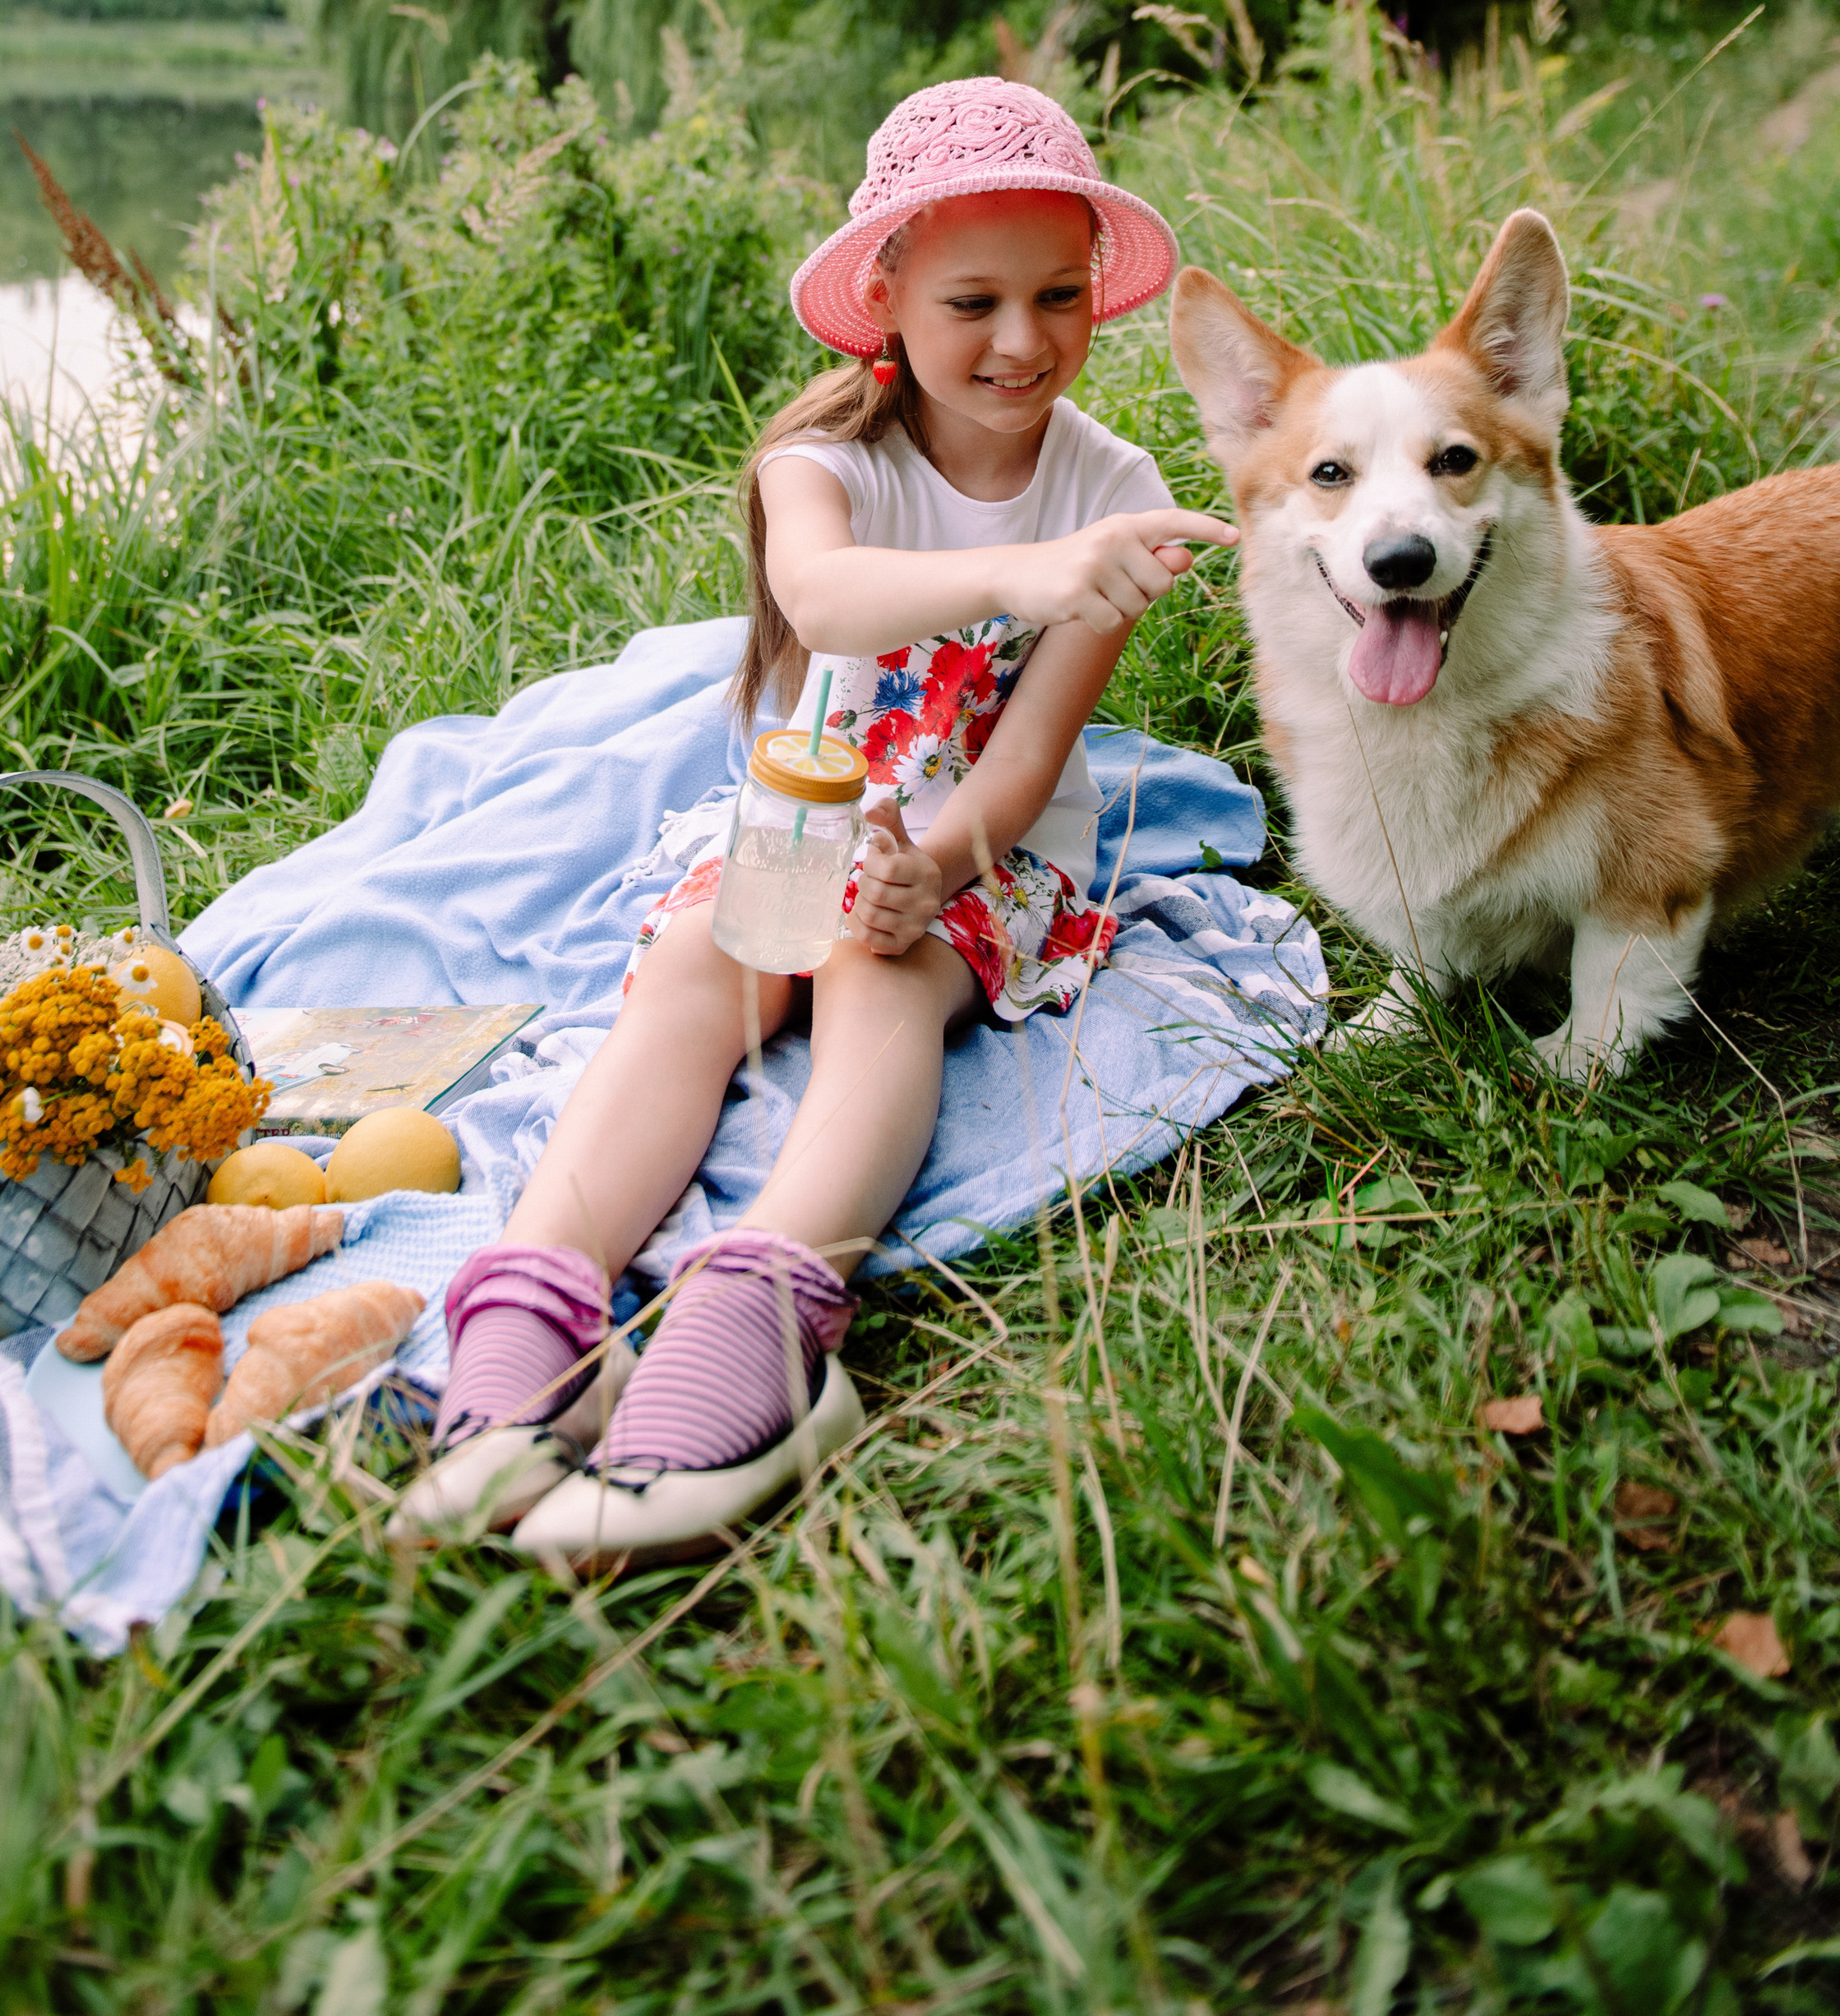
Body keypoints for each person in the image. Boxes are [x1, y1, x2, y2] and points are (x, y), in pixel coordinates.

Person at [399, 76, 1234, 1562]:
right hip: (812, 807)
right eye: (974, 299)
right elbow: (826, 598)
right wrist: (1020, 578)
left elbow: (1033, 756)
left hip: (978, 843)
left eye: (1059, 295)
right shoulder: (825, 458)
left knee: (872, 979)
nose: (1023, 341)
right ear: (889, 297)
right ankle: (542, 1296)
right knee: (689, 982)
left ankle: (767, 1310)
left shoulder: (1114, 488)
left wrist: (943, 861)